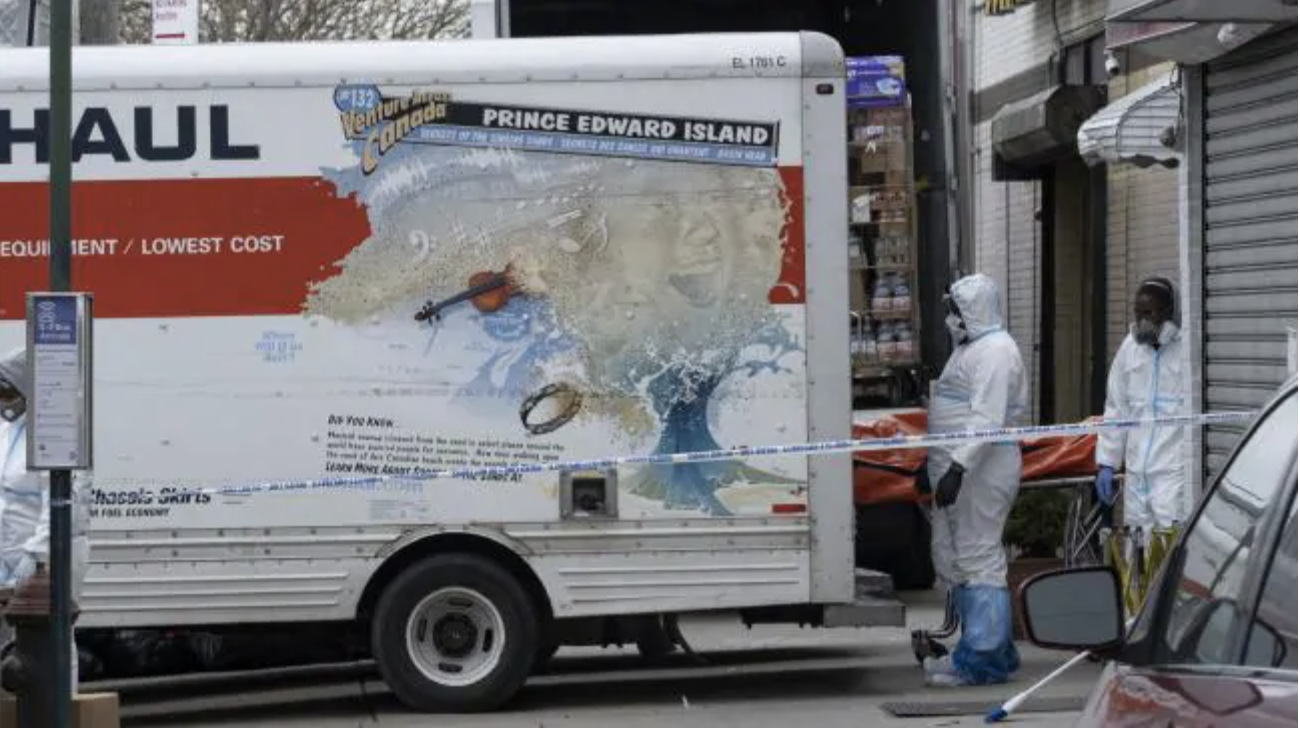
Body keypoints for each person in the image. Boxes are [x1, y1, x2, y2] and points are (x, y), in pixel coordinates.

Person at [922, 273, 1028, 688]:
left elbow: (986, 418)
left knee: (979, 557)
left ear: (973, 310)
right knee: (963, 557)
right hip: (964, 468)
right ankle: (989, 652)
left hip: (980, 470)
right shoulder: (973, 349)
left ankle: (981, 662)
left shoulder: (996, 352)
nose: (949, 317)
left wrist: (957, 467)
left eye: (955, 309)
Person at [1094, 276, 1187, 614]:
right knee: (1136, 547)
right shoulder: (1129, 350)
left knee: (1170, 545)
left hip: (1172, 472)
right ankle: (1138, 618)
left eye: (1150, 311)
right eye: (1138, 311)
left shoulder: (1186, 352)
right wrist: (1107, 461)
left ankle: (1170, 618)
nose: (1143, 319)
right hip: (1137, 472)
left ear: (1169, 312)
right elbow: (1116, 407)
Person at [0, 347, 91, 687]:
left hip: (51, 556)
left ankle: (59, 711)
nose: (3, 399)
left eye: (8, 391)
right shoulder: (9, 430)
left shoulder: (57, 432)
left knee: (52, 637)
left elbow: (63, 503)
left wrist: (36, 556)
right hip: (12, 553)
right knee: (10, 644)